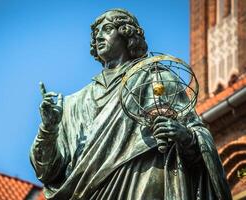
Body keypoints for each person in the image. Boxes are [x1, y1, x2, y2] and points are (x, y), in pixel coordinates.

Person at [30, 9, 232, 200]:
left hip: (144, 185)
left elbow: (196, 136)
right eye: (96, 33)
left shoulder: (157, 79)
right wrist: (48, 129)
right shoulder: (73, 104)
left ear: (127, 35)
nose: (99, 37)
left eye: (107, 29)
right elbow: (47, 172)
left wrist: (185, 136)